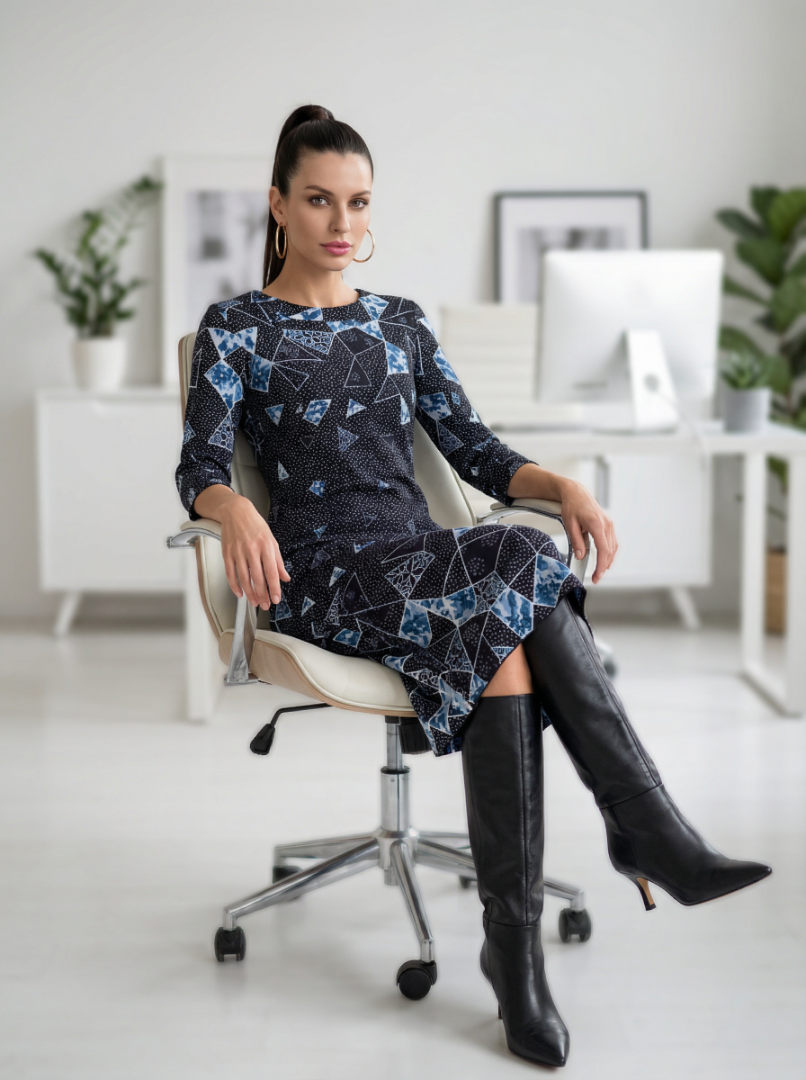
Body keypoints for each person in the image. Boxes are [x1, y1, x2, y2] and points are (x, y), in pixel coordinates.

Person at [174, 104, 772, 1068]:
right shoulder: (236, 328)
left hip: (427, 570)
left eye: (358, 201)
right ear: (278, 204)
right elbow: (200, 464)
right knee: (521, 564)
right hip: (320, 579)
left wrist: (562, 486)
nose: (341, 221)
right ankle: (645, 826)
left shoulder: (400, 324)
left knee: (508, 609)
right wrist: (232, 508)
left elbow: (479, 452)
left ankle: (514, 955)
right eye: (319, 199)